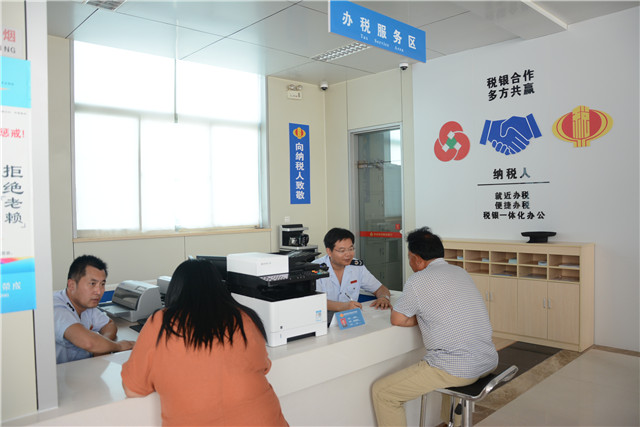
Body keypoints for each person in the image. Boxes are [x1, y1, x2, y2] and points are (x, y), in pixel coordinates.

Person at [121, 259, 288, 426]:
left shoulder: (161, 323)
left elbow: (133, 389)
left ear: (175, 289)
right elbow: (264, 366)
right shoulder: (245, 317)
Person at [372, 227, 498, 426]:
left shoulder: (418, 280)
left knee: (383, 393)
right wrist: (429, 315)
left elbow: (397, 319)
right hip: (487, 360)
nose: (409, 262)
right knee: (452, 379)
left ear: (417, 259)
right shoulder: (460, 272)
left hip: (458, 368)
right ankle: (453, 423)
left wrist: (424, 316)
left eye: (409, 257)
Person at [54, 255, 135, 364]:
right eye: (92, 284)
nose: (99, 291)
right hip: (61, 372)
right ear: (71, 285)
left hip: (83, 367)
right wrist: (118, 346)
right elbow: (89, 343)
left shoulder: (85, 305)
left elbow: (109, 324)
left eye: (102, 284)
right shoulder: (56, 308)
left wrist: (102, 346)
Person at [313, 227, 391, 312]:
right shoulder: (315, 268)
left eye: (351, 249)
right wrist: (343, 306)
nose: (348, 254)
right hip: (322, 316)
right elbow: (313, 300)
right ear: (329, 251)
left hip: (350, 315)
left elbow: (380, 288)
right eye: (342, 250)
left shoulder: (356, 266)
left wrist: (384, 298)